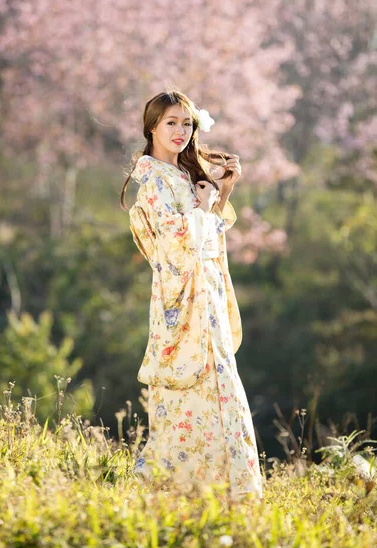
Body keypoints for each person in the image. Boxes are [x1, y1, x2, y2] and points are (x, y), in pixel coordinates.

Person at [120, 90, 263, 504]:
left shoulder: (180, 176)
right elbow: (177, 244)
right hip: (182, 303)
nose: (181, 131)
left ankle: (225, 493)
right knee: (188, 393)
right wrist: (202, 205)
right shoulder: (152, 182)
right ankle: (183, 492)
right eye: (171, 123)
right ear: (152, 128)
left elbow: (207, 235)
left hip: (207, 297)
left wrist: (223, 193)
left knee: (220, 389)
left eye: (187, 123)